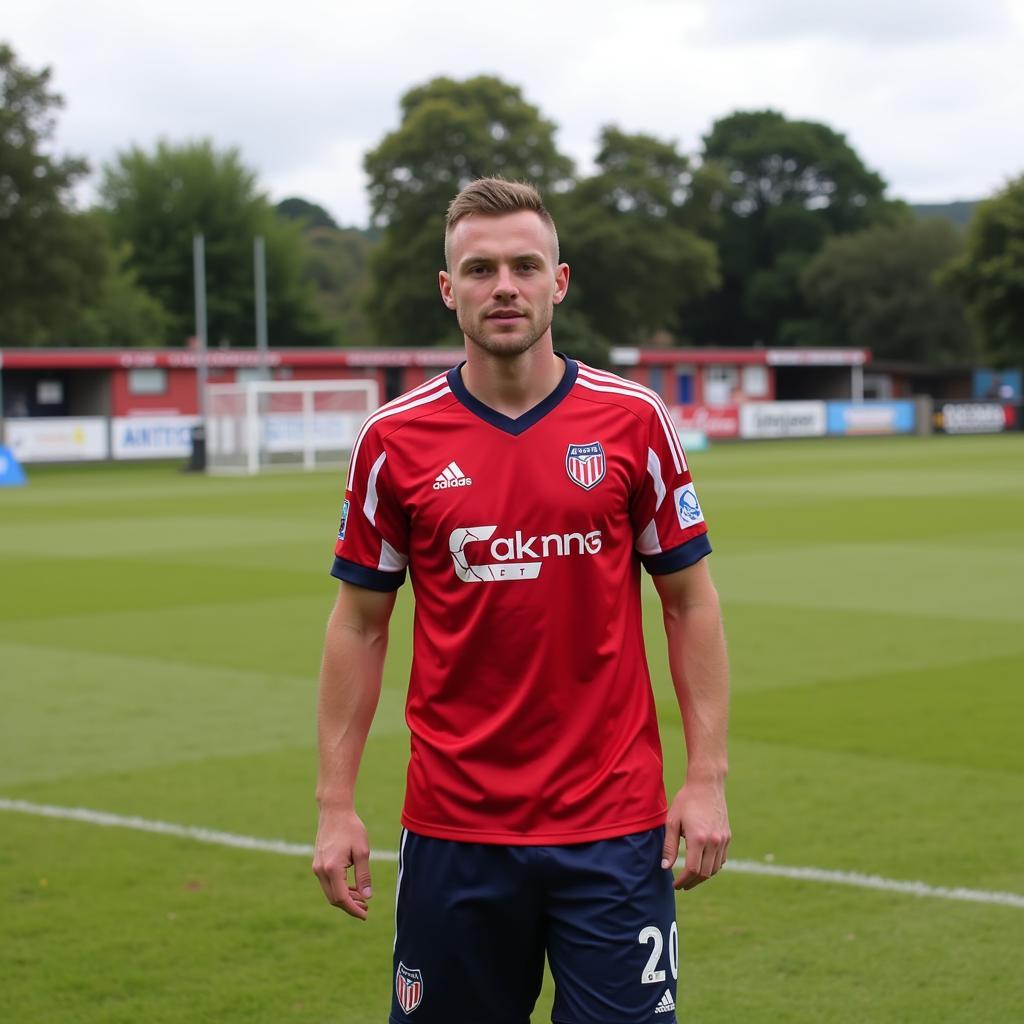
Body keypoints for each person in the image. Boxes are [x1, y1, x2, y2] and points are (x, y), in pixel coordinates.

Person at [314, 177, 730, 1024]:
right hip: (454, 831)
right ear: (448, 290)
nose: (503, 285)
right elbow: (360, 622)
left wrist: (707, 780)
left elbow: (690, 602)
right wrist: (334, 804)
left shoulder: (634, 421)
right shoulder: (393, 441)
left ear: (559, 282)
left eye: (523, 265)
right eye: (479, 269)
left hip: (614, 831)